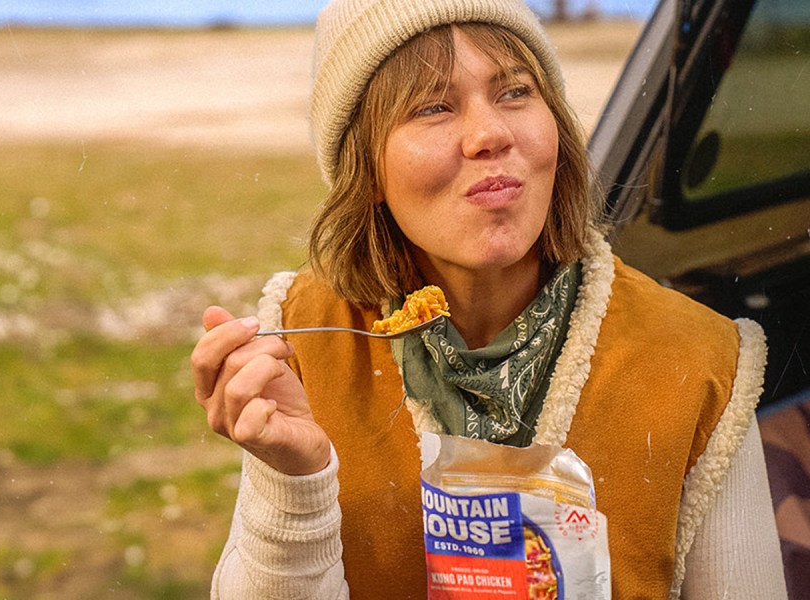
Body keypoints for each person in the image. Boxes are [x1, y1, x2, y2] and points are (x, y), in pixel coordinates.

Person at [190, 0, 788, 597]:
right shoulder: (301, 344)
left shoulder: (699, 363)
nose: (491, 134)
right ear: (366, 171)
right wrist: (293, 484)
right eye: (431, 107)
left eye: (514, 92)